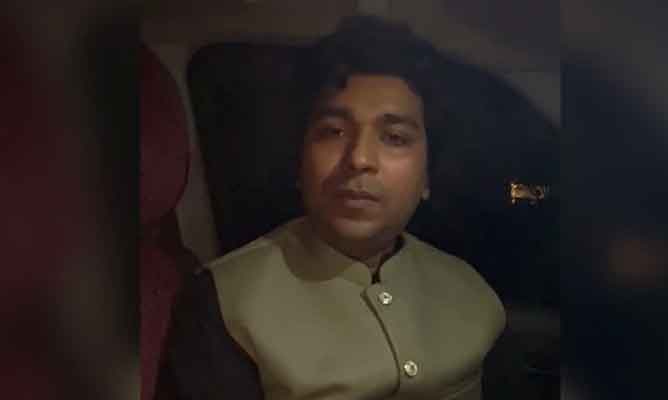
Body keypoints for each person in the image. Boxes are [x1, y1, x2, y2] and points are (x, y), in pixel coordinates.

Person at [158, 15, 505, 400]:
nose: (359, 158)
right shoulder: (223, 302)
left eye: (394, 137)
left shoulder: (471, 291)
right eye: (333, 132)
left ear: (426, 176)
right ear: (300, 162)